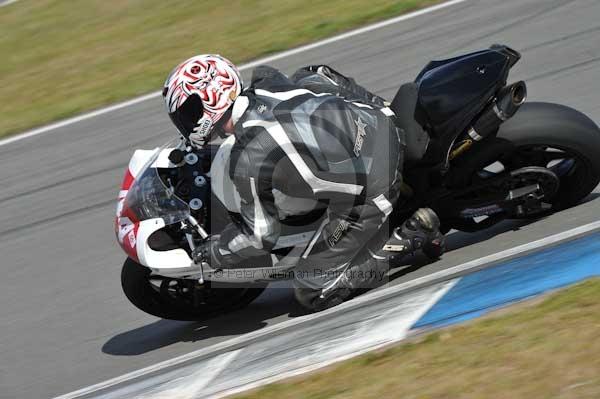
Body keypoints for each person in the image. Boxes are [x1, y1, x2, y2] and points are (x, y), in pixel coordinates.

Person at [163, 54, 445, 312]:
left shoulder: (247, 157)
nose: (186, 122)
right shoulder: (266, 81)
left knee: (311, 289)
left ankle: (409, 237)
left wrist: (215, 251)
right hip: (379, 118)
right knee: (308, 73)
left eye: (187, 113)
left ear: (209, 101)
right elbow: (324, 76)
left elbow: (261, 235)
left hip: (375, 184)